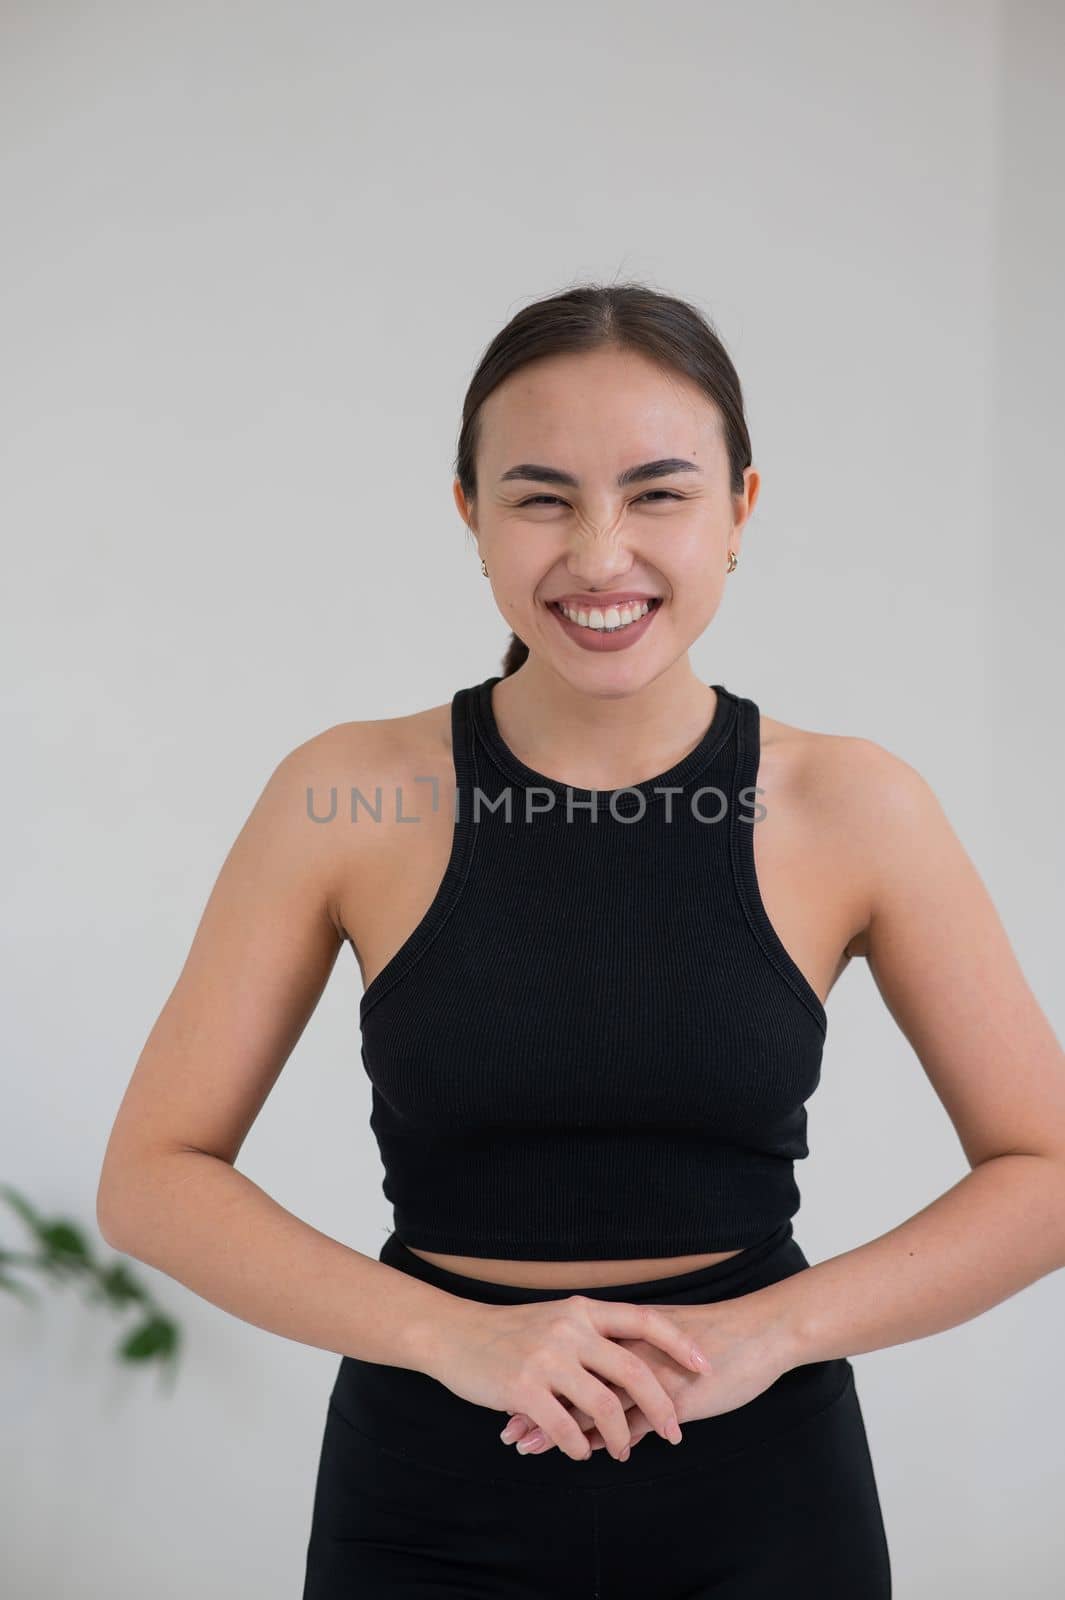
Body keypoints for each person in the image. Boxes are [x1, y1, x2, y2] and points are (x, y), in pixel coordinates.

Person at [97, 283, 1065, 1599]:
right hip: (426, 1492)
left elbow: (1046, 1164)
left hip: (761, 1491)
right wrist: (463, 1342)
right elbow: (153, 1176)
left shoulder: (855, 807)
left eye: (659, 493)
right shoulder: (347, 795)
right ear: (471, 517)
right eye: (540, 497)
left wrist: (764, 1334)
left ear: (740, 510)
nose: (600, 554)